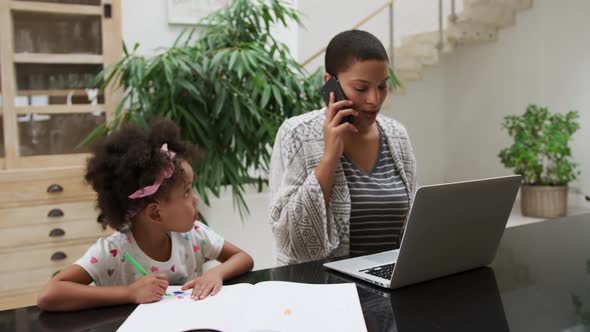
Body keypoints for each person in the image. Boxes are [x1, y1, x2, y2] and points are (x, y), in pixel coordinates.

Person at [37, 119, 254, 311]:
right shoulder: (113, 252)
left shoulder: (196, 236)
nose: (196, 199)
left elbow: (243, 258)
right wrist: (130, 293)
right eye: (187, 192)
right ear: (155, 213)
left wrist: (215, 274)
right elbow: (50, 295)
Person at [269, 30, 417, 265]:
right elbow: (290, 240)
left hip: (388, 288)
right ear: (330, 83)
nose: (374, 99)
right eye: (361, 88)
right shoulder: (297, 135)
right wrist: (329, 156)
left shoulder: (397, 136)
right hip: (325, 290)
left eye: (382, 86)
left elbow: (411, 227)